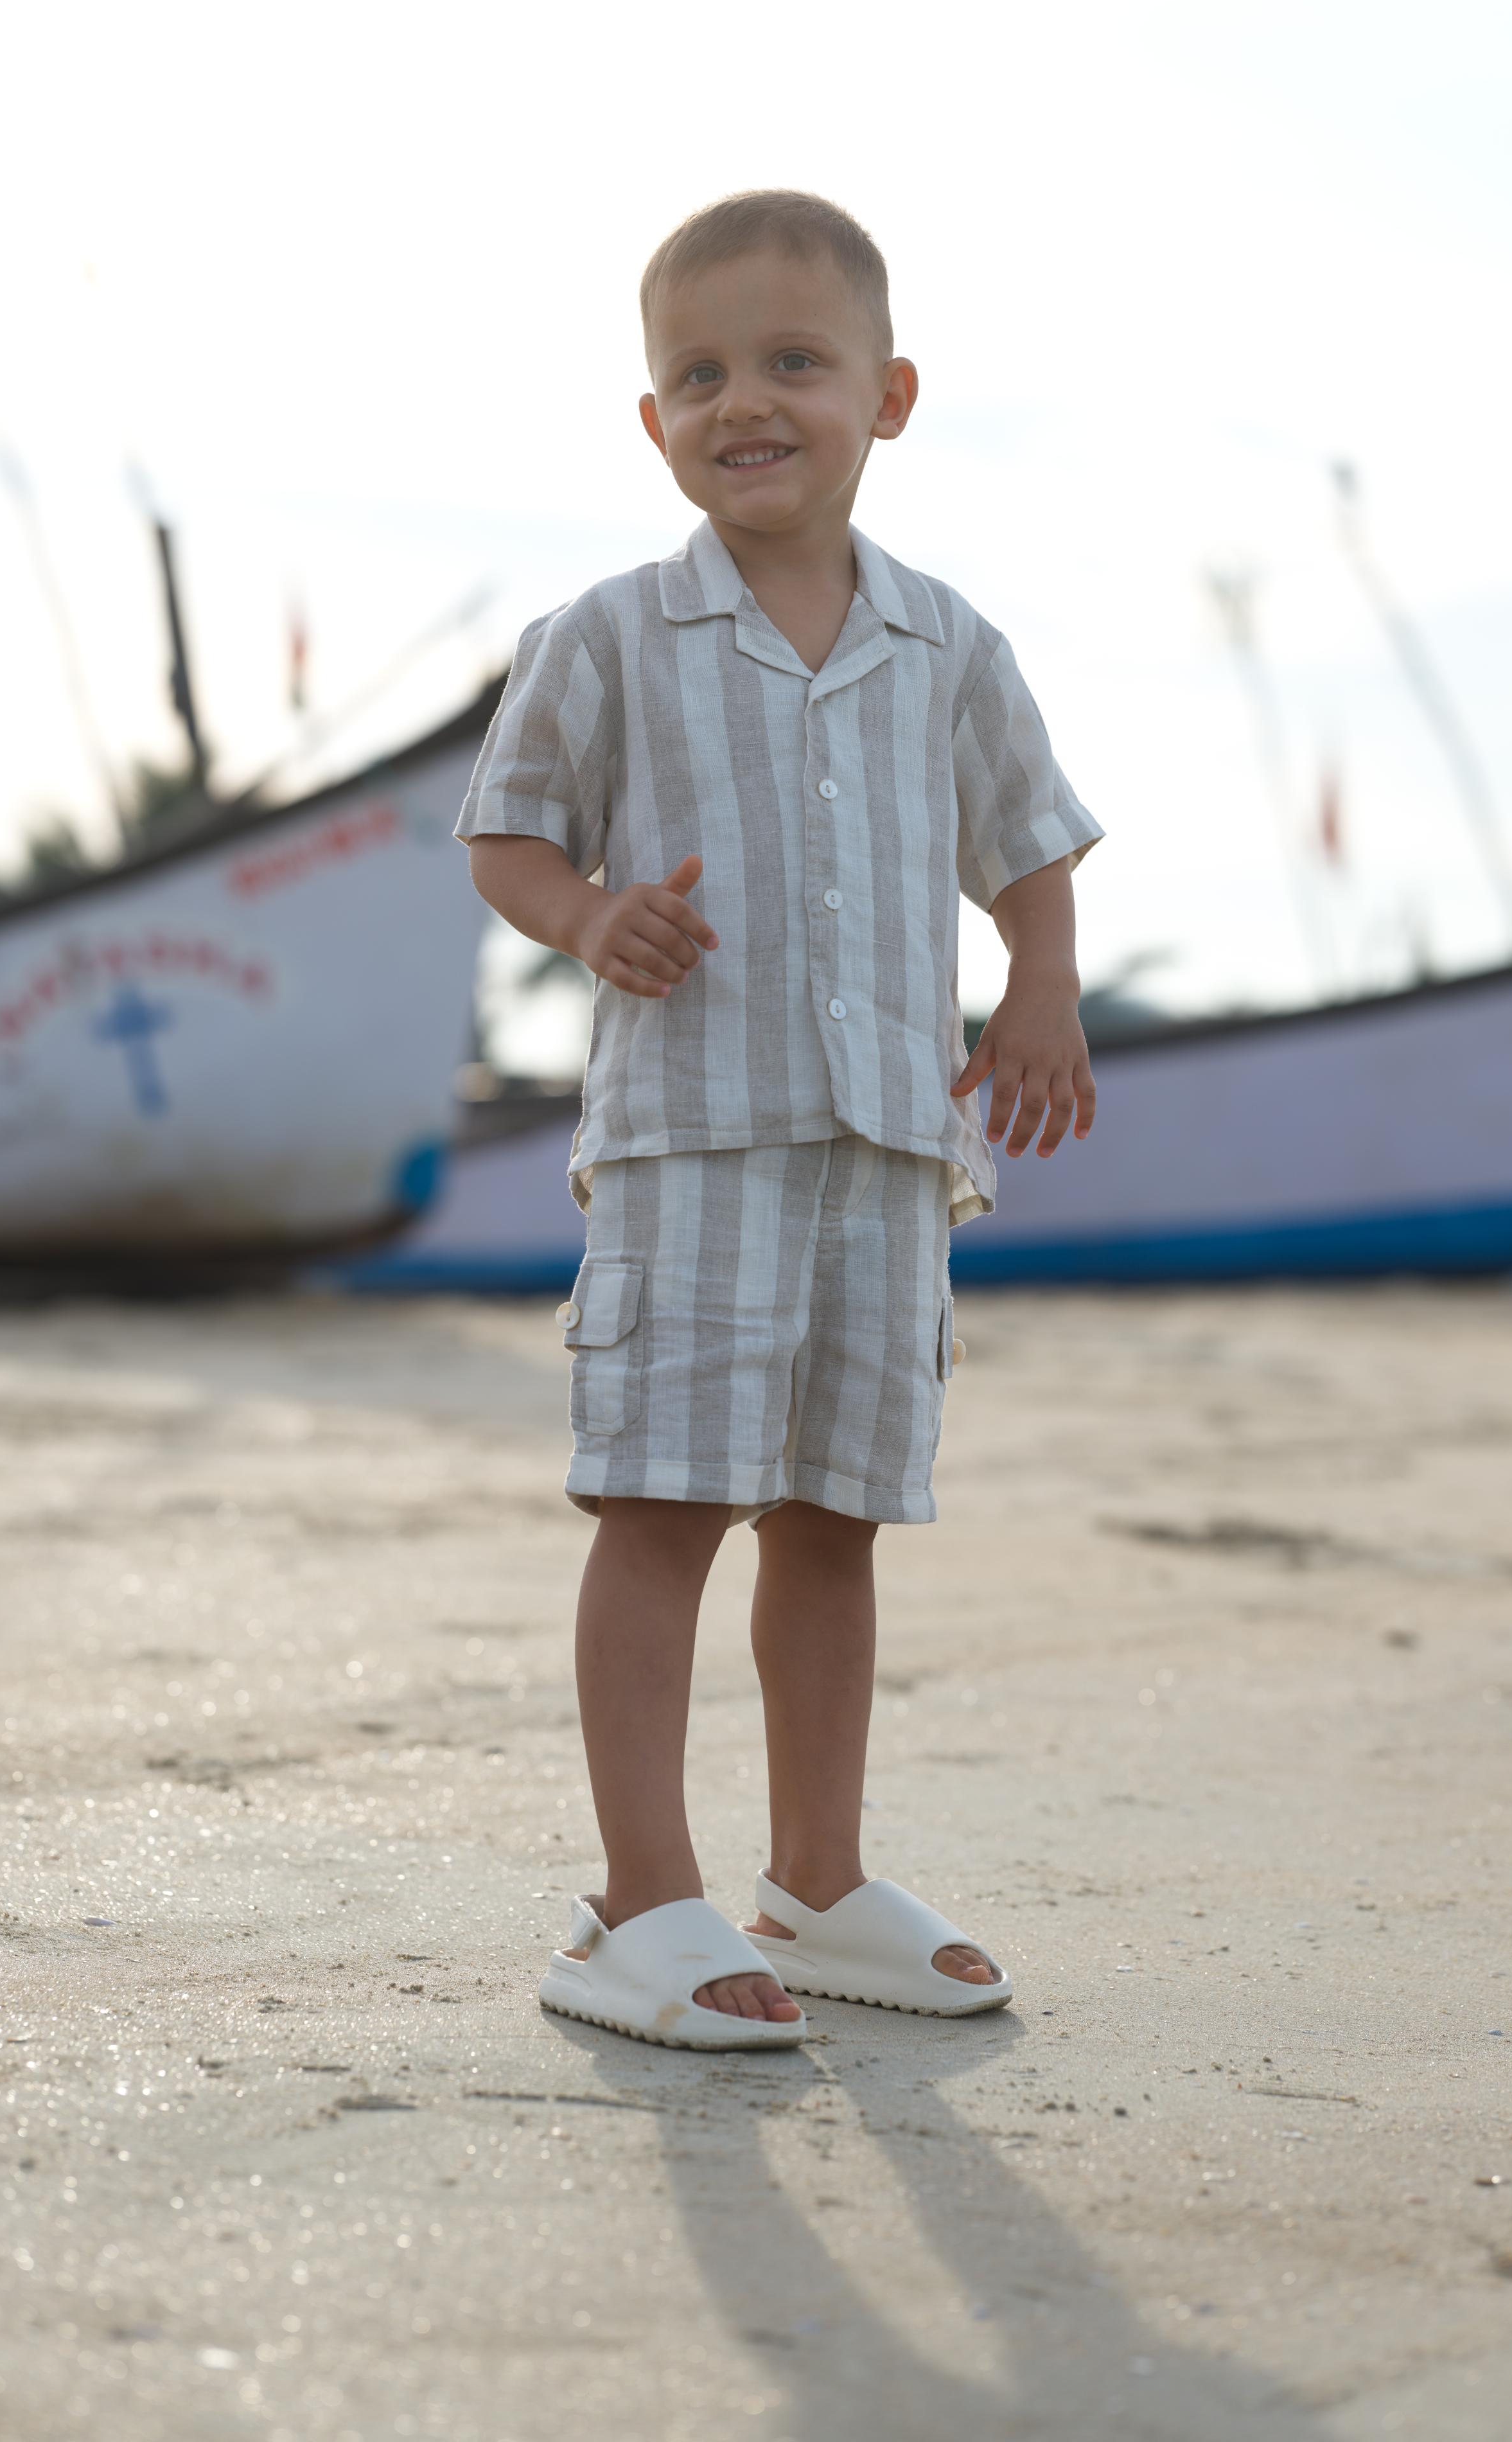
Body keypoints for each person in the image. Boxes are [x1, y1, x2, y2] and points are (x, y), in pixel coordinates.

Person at [458, 190, 1101, 2049]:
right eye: (698, 374)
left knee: (835, 1521)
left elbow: (1028, 844)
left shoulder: (945, 643)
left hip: (890, 1150)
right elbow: (506, 830)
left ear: (886, 395)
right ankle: (637, 1899)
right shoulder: (607, 635)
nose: (745, 401)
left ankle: (814, 1878)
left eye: (792, 364)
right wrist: (585, 914)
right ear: (650, 421)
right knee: (662, 1503)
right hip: (695, 1142)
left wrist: (1039, 985)